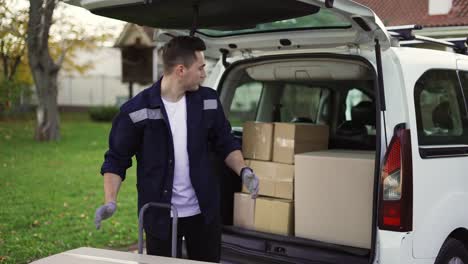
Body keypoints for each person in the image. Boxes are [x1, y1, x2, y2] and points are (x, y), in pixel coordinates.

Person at [94, 35, 259, 263]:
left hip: (204, 213)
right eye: (200, 68)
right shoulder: (135, 110)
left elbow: (225, 141)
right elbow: (116, 159)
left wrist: (243, 171)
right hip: (159, 215)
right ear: (181, 70)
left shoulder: (208, 100)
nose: (204, 73)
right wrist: (110, 201)